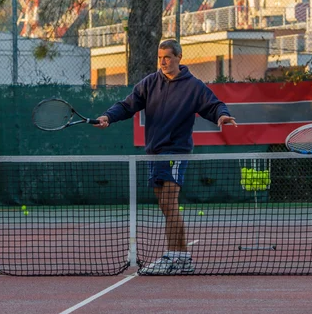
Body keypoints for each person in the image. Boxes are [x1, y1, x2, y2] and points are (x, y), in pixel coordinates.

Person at [95, 39, 236, 275]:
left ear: (179, 57)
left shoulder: (193, 86)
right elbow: (127, 105)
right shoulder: (150, 83)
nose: (163, 61)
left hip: (176, 150)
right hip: (154, 151)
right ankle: (183, 259)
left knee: (169, 203)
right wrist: (108, 117)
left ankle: (173, 256)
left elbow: (213, 105)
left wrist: (222, 115)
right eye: (160, 57)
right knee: (166, 205)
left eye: (168, 57)